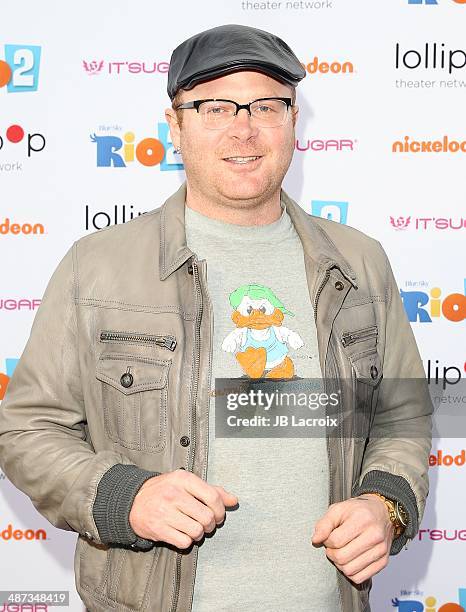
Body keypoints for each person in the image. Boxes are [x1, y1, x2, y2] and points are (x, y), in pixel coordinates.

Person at [0, 23, 432, 612]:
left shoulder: (360, 263)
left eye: (266, 105)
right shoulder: (96, 268)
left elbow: (401, 415)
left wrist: (386, 503)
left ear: (293, 120)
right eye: (213, 106)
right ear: (174, 125)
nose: (243, 128)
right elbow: (26, 429)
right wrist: (124, 498)